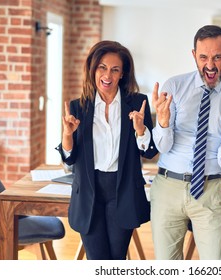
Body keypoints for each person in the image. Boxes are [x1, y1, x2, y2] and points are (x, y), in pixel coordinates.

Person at [151, 25, 221, 260]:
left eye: (218, 57)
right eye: (203, 57)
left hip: (210, 189)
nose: (210, 65)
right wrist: (164, 122)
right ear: (193, 55)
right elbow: (163, 147)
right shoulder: (174, 87)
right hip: (168, 186)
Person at [56, 40, 157, 260]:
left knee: (116, 259)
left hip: (123, 192)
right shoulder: (77, 108)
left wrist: (141, 130)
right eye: (102, 67)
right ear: (93, 70)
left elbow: (149, 152)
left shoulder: (137, 104)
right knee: (97, 260)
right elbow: (69, 158)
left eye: (115, 69)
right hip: (89, 194)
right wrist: (67, 135)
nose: (107, 75)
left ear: (122, 74)